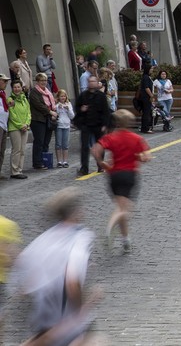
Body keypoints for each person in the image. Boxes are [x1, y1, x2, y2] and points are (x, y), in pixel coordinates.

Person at [8, 188, 98, 345]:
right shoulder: (79, 237)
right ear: (76, 212)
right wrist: (80, 309)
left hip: (41, 305)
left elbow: (22, 271)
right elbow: (71, 280)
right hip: (62, 306)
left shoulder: (44, 238)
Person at [91, 110, 152, 253]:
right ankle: (110, 227)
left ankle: (126, 240)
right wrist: (139, 157)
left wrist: (101, 163)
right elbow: (147, 157)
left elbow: (95, 150)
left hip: (113, 175)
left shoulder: (111, 137)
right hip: (129, 175)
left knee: (121, 206)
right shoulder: (136, 138)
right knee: (123, 210)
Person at [28, 72, 57, 170]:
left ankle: (44, 160)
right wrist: (50, 112)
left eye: (45, 80)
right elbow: (39, 105)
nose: (44, 82)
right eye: (41, 80)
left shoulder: (47, 91)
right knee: (39, 141)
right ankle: (37, 162)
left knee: (46, 141)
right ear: (37, 81)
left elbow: (51, 104)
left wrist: (53, 112)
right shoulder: (34, 92)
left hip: (47, 119)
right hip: (37, 119)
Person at [7, 79, 30, 179]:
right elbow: (12, 115)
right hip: (15, 128)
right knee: (16, 150)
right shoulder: (10, 99)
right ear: (12, 88)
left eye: (18, 87)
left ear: (21, 88)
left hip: (25, 127)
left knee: (22, 150)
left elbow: (28, 113)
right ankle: (15, 171)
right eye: (15, 87)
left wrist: (27, 123)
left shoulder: (24, 99)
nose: (17, 89)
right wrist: (21, 125)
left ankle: (20, 169)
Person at [55, 89, 74, 168]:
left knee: (65, 145)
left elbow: (72, 116)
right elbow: (55, 115)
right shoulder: (56, 105)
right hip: (59, 125)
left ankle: (65, 161)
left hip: (66, 125)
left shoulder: (69, 104)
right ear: (58, 97)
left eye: (64, 96)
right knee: (58, 144)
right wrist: (58, 109)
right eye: (61, 96)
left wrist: (68, 109)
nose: (63, 98)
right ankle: (59, 161)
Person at [139, 63, 155, 134]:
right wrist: (151, 96)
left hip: (146, 97)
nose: (152, 70)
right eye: (151, 68)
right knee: (146, 113)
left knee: (146, 112)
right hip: (146, 97)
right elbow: (146, 87)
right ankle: (145, 128)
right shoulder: (145, 77)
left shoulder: (147, 77)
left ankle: (144, 127)